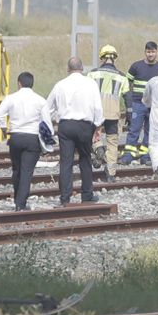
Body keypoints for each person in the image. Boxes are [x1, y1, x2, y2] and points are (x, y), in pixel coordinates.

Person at [45, 56, 104, 204]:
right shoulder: (91, 83)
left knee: (66, 162)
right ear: (82, 68)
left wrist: (50, 123)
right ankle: (87, 194)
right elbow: (98, 107)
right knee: (85, 159)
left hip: (65, 126)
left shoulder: (60, 85)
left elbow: (47, 108)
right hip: (85, 126)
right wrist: (98, 126)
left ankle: (65, 197)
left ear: (68, 69)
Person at [0, 70, 47, 210]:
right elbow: (46, 122)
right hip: (32, 138)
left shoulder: (11, 98)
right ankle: (20, 203)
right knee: (27, 171)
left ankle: (17, 198)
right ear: (32, 84)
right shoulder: (40, 100)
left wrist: (4, 129)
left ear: (19, 84)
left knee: (17, 169)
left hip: (16, 137)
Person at [87, 44, 130, 182]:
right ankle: (111, 173)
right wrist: (129, 114)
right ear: (114, 58)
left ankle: (98, 148)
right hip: (113, 114)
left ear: (102, 58)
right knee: (112, 141)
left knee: (93, 136)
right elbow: (127, 97)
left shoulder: (92, 74)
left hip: (96, 113)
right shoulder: (122, 77)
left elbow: (85, 93)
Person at [123, 41, 158, 165]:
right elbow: (127, 83)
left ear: (157, 52)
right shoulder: (136, 66)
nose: (150, 54)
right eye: (148, 52)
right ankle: (128, 155)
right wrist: (129, 101)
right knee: (134, 130)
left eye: (153, 52)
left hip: (153, 106)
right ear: (145, 52)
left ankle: (145, 156)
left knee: (150, 131)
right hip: (138, 104)